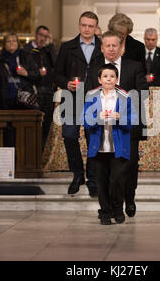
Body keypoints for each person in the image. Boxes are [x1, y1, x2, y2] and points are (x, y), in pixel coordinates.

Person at [85, 30, 148, 218]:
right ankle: (109, 208)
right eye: (108, 46)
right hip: (100, 128)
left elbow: (143, 92)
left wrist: (121, 102)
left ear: (122, 48)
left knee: (128, 166)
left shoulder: (134, 66)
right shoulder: (95, 68)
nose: (111, 49)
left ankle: (129, 200)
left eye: (115, 45)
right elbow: (87, 93)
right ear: (102, 48)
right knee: (105, 171)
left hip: (127, 126)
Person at [54, 11, 104, 197]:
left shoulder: (102, 47)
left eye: (91, 26)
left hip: (94, 99)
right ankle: (77, 175)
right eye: (84, 25)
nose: (87, 29)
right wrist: (65, 83)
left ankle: (92, 179)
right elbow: (57, 73)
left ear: (96, 27)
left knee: (93, 141)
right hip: (72, 98)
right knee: (69, 135)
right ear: (79, 25)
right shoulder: (68, 47)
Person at [82, 64, 138, 225]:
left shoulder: (125, 97)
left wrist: (120, 117)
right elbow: (85, 122)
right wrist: (96, 117)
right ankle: (105, 212)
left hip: (118, 147)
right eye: (105, 76)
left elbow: (133, 120)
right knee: (101, 182)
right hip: (98, 148)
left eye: (112, 76)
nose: (109, 79)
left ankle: (118, 209)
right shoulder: (91, 96)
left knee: (116, 181)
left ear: (116, 79)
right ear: (100, 79)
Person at [24, 25, 57, 150]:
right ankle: (31, 153)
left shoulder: (48, 50)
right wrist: (37, 73)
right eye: (41, 35)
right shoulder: (27, 50)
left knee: (46, 125)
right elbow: (25, 72)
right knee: (33, 124)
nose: (43, 39)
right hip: (34, 91)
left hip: (48, 91)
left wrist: (51, 45)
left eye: (46, 36)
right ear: (36, 35)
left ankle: (42, 153)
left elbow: (57, 65)